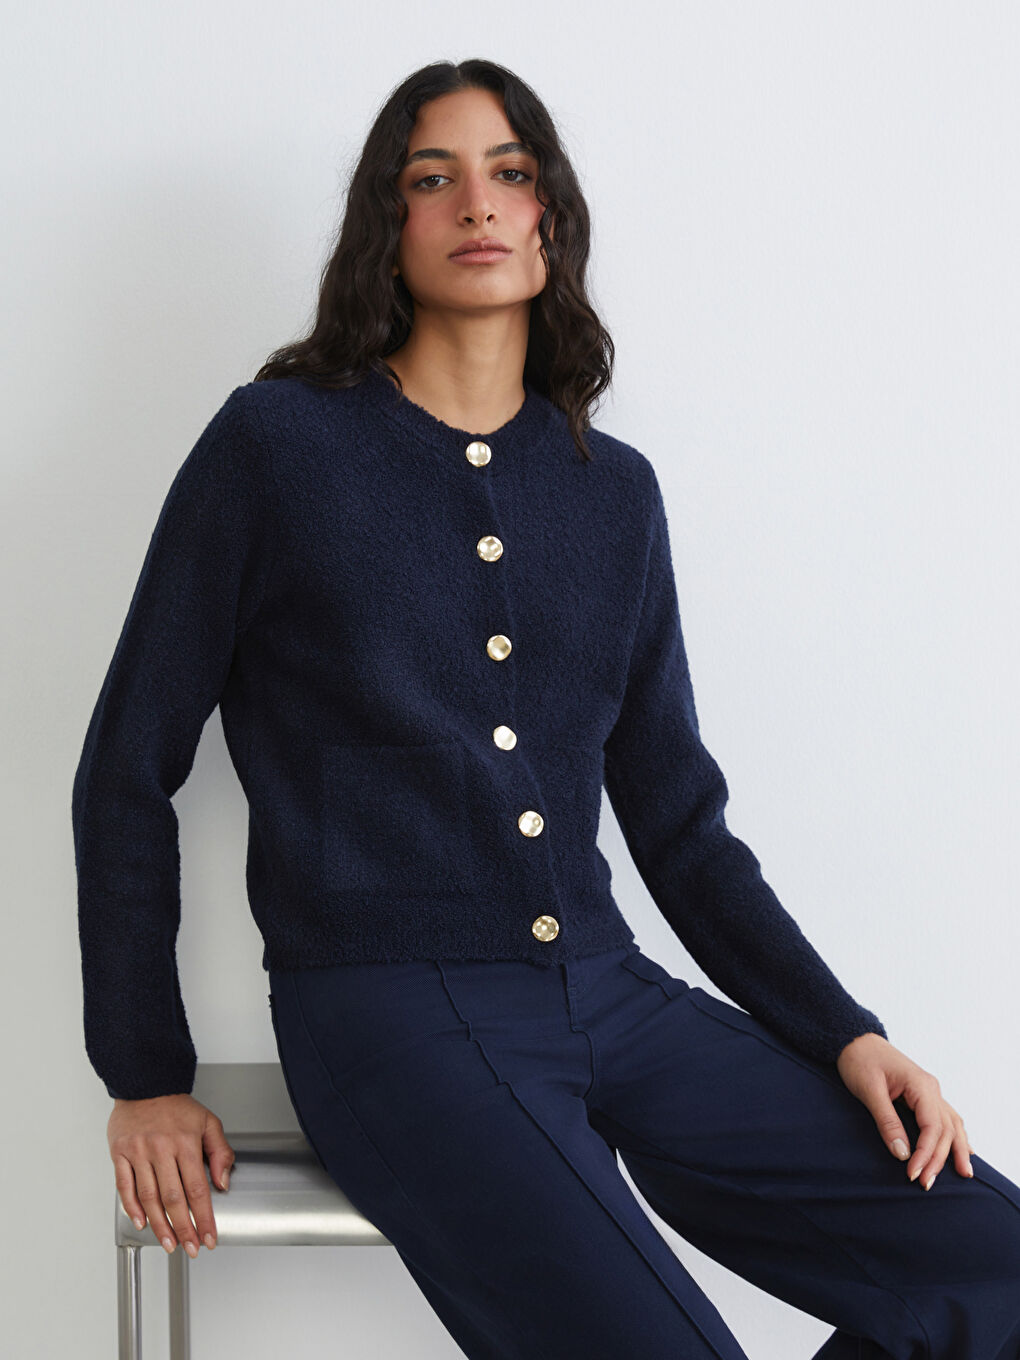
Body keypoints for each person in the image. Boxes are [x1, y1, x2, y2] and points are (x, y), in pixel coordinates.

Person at [72, 58, 1020, 1360]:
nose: (477, 202)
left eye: (510, 173)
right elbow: (127, 768)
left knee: (996, 1270)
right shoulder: (277, 448)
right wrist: (144, 1075)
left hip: (608, 989)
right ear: (387, 225)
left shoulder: (610, 492)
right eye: (433, 178)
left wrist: (843, 1030)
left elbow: (680, 823)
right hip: (387, 1011)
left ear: (550, 219)